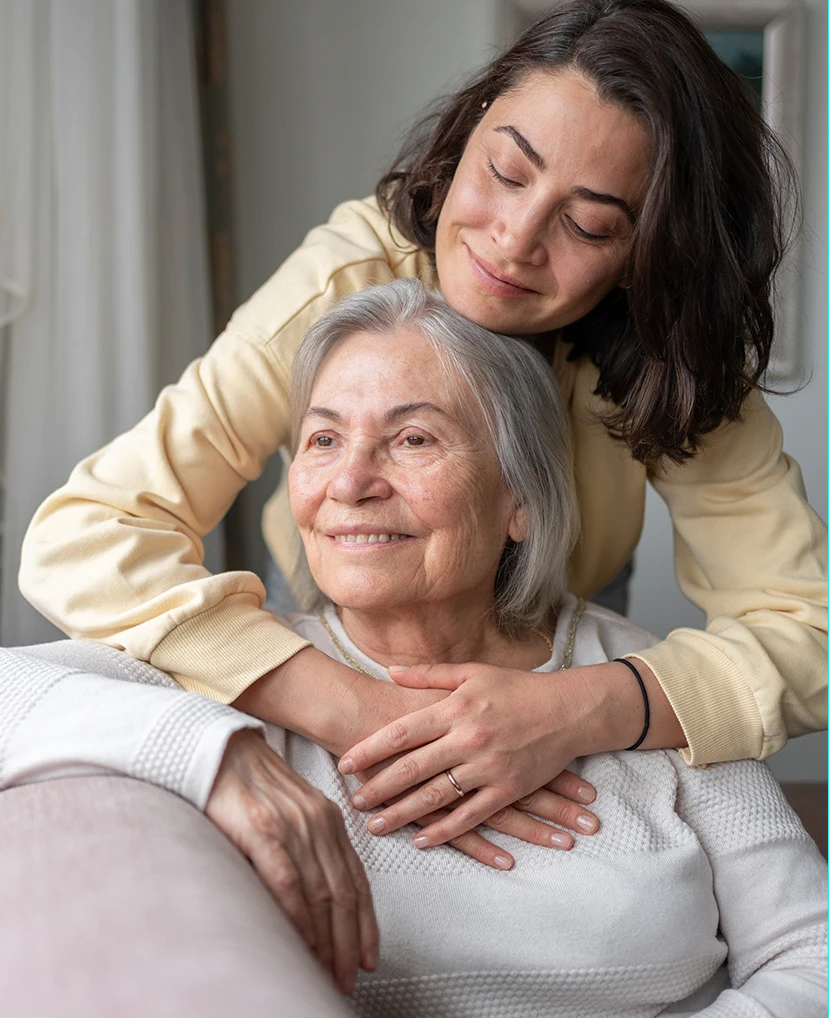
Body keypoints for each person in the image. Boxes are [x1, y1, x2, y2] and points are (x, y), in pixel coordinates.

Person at [17, 0, 827, 851]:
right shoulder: (346, 279)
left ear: (648, 254)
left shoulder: (675, 356)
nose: (513, 241)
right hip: (329, 626)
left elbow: (808, 630)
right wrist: (354, 707)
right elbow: (86, 534)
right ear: (469, 127)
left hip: (562, 626)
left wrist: (573, 707)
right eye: (507, 173)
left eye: (588, 224)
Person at [4, 281, 825, 1015]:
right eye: (322, 440)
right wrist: (216, 753)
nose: (349, 482)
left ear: (521, 499)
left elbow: (809, 956)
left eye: (413, 440)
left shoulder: (646, 681)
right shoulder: (229, 663)